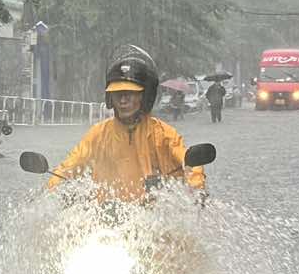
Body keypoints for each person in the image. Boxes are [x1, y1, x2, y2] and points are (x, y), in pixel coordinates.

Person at [48, 49, 207, 202]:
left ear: (143, 96)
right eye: (118, 94)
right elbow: (71, 164)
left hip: (151, 214)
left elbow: (189, 163)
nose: (123, 101)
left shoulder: (163, 134)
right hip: (106, 215)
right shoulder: (98, 134)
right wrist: (52, 189)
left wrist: (196, 190)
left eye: (129, 94)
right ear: (110, 98)